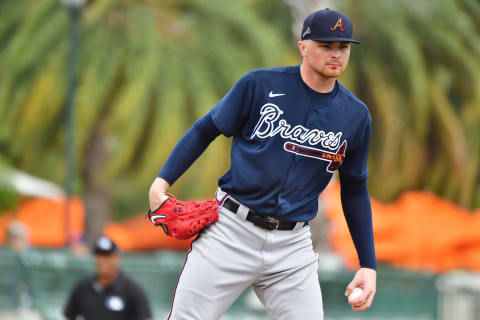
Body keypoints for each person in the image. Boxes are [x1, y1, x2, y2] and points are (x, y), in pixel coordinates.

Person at [149, 8, 376, 319]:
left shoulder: (356, 115)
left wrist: (368, 263)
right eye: (326, 45)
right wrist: (161, 183)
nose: (336, 54)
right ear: (303, 47)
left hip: (292, 246)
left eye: (343, 47)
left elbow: (354, 188)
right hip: (231, 231)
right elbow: (206, 129)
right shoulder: (259, 85)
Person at [64, 236, 153, 320]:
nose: (103, 261)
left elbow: (146, 318)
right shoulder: (82, 287)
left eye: (107, 256)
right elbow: (69, 316)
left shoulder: (132, 289)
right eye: (99, 256)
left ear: (117, 258)